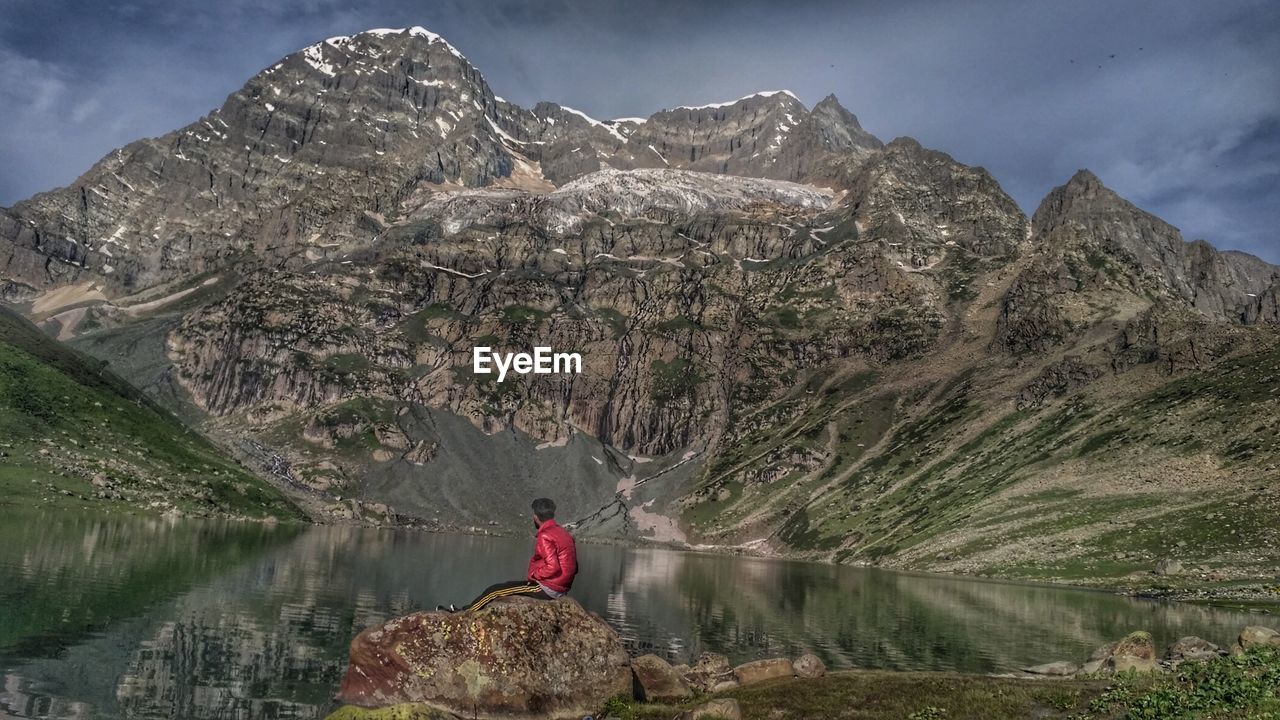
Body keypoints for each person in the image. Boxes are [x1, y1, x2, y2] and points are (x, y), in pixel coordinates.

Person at [438, 497, 578, 613]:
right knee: (503, 588)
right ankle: (465, 610)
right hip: (561, 588)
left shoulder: (545, 535)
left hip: (548, 588)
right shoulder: (564, 533)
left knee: (494, 591)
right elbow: (574, 567)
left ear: (535, 517)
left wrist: (535, 576)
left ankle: (462, 614)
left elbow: (553, 567)